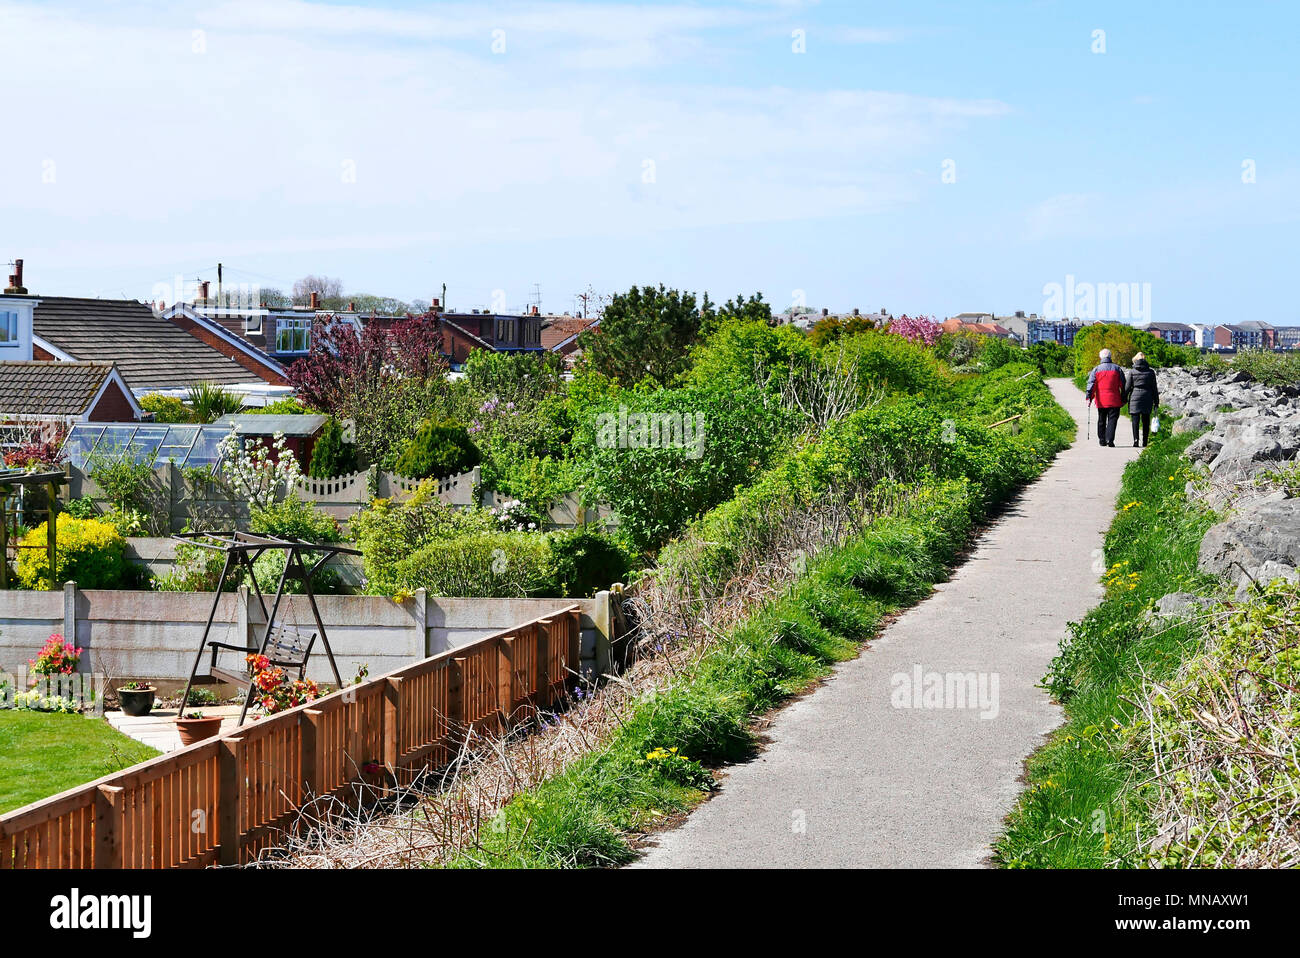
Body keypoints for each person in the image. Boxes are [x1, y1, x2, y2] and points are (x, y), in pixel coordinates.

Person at [1084, 348, 1127, 447]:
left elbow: (1091, 384)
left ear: (1101, 357)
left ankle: (1102, 439)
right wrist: (1124, 398)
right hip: (1114, 399)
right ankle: (1110, 440)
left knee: (1101, 420)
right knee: (1112, 420)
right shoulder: (1117, 369)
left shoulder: (1096, 369)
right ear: (1110, 356)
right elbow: (1123, 385)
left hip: (1101, 400)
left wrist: (1089, 397)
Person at [1125, 352, 1160, 447]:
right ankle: (1145, 441)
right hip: (1147, 396)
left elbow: (1127, 387)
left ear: (1135, 360)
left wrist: (1123, 398)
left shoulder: (1132, 372)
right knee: (1146, 421)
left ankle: (1136, 441)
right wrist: (1156, 402)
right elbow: (1154, 388)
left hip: (1135, 396)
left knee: (1135, 421)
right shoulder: (1151, 372)